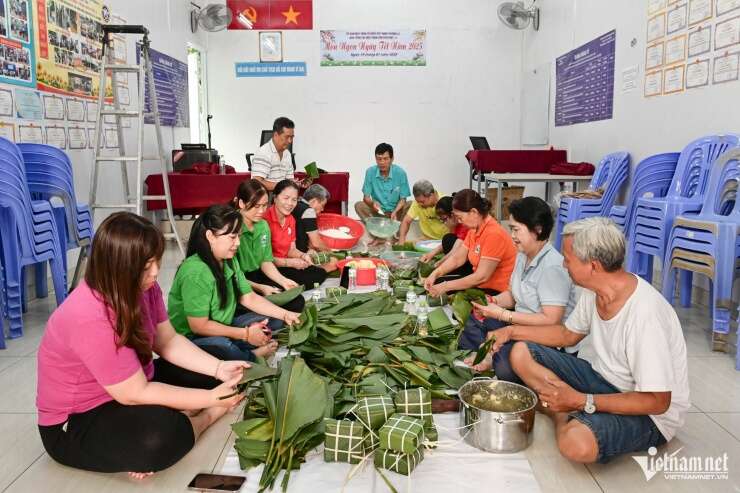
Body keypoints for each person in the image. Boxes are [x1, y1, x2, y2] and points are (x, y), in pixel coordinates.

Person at [36, 212, 248, 477]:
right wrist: (211, 401)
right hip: (81, 418)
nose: (156, 272)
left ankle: (178, 411)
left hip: (133, 382)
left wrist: (218, 368)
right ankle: (203, 417)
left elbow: (167, 340)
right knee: (159, 437)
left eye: (156, 261)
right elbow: (133, 393)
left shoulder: (144, 287)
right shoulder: (88, 315)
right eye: (146, 266)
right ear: (119, 266)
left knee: (215, 357)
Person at [488, 217, 689, 464]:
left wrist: (581, 400)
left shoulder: (645, 314)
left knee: (575, 445)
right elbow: (566, 335)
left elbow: (658, 402)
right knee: (520, 352)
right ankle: (567, 407)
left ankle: (560, 412)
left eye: (568, 259)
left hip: (650, 415)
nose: (563, 265)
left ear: (593, 266)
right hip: (603, 380)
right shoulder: (594, 291)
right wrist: (510, 331)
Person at [461, 197, 580, 381]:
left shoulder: (552, 267)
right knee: (476, 320)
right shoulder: (523, 255)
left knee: (506, 363)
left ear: (538, 229)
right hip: (519, 326)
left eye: (516, 229)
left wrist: (503, 315)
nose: (512, 236)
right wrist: (493, 302)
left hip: (546, 339)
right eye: (511, 229)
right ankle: (489, 354)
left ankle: (493, 356)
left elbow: (551, 321)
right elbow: (513, 296)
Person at [168, 204, 301, 362]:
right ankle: (251, 355)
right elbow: (199, 326)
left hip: (223, 323)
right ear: (210, 236)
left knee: (276, 320)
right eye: (232, 237)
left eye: (238, 236)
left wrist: (286, 314)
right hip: (193, 337)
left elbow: (248, 298)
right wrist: (245, 334)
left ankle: (246, 347)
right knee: (223, 347)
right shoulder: (195, 272)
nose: (238, 242)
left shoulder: (228, 259)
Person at [424, 189, 517, 298]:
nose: (459, 221)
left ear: (473, 212)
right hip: (480, 284)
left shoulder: (494, 234)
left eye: (460, 217)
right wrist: (435, 273)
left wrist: (446, 286)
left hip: (497, 292)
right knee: (437, 283)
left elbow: (481, 277)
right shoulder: (473, 229)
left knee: (448, 294)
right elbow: (457, 258)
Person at [231, 179, 306, 314]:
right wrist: (261, 288)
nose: (261, 211)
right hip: (236, 281)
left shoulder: (263, 225)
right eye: (256, 206)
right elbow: (232, 276)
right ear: (241, 203)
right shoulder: (232, 228)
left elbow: (266, 261)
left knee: (297, 301)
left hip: (257, 275)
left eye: (264, 205)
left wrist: (283, 281)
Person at [265, 180, 334, 288]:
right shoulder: (264, 220)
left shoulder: (290, 219)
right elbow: (264, 260)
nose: (290, 203)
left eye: (294, 200)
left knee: (318, 274)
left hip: (287, 261)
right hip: (272, 266)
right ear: (275, 197)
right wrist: (290, 263)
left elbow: (291, 249)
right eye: (286, 198)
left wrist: (303, 256)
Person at [354, 142, 411, 221]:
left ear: (392, 159)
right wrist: (372, 204)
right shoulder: (370, 172)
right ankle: (376, 224)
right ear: (375, 159)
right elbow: (366, 198)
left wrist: (395, 211)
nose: (382, 162)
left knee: (411, 205)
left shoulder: (400, 173)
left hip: (396, 212)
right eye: (379, 159)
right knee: (359, 205)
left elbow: (403, 199)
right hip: (378, 212)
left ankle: (396, 223)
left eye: (385, 159)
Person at [251, 116, 299, 192]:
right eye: (287, 137)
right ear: (276, 135)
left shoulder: (287, 154)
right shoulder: (263, 153)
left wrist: (296, 184)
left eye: (292, 137)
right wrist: (283, 186)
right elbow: (257, 182)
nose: (290, 141)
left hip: (283, 196)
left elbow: (289, 180)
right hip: (267, 198)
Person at [419, 195, 468, 265]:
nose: (444, 223)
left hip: (466, 261)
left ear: (453, 215)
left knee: (448, 238)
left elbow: (455, 251)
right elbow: (446, 244)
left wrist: (438, 264)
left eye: (444, 219)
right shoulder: (455, 225)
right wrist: (431, 254)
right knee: (447, 238)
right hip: (459, 256)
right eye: (442, 220)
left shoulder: (464, 226)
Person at [398, 180, 448, 245]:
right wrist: (401, 240)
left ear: (431, 195)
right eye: (418, 201)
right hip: (426, 240)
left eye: (422, 202)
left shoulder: (445, 202)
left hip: (444, 241)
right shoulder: (418, 203)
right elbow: (406, 221)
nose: (420, 204)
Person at [292, 183, 332, 253]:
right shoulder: (309, 211)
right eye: (322, 205)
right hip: (299, 252)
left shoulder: (296, 203)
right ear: (314, 201)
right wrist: (330, 251)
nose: (322, 209)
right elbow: (316, 243)